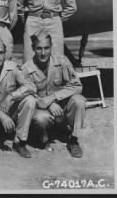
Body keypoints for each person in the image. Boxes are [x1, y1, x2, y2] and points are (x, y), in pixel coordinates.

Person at [21, 30, 86, 158]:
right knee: (41, 119)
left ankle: (73, 140)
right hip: (42, 110)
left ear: (51, 47)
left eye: (46, 48)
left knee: (79, 101)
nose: (43, 53)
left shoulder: (62, 62)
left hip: (61, 109)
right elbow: (28, 94)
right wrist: (49, 104)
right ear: (33, 48)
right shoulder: (26, 69)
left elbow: (77, 86)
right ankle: (41, 134)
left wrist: (53, 98)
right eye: (39, 48)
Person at [0, 36, 36, 158]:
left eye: (1, 53)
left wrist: (11, 96)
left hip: (9, 109)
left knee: (30, 100)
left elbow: (31, 86)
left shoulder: (13, 67)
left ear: (5, 53)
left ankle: (20, 142)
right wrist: (0, 114)